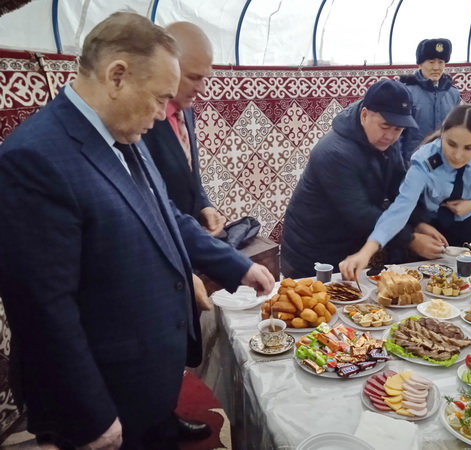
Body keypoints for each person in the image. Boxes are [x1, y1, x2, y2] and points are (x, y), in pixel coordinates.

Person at [0, 12, 274, 450]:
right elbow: (44, 310)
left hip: (147, 374)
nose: (165, 113)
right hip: (105, 388)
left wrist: (236, 265)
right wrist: (90, 415)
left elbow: (166, 214)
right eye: (159, 98)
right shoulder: (34, 159)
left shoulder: (126, 132)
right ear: (117, 76)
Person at [280, 79, 447, 279]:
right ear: (365, 115)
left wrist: (418, 221)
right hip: (313, 251)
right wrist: (410, 239)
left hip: (349, 242)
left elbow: (399, 187)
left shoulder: (383, 140)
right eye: (385, 126)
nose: (390, 136)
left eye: (398, 129)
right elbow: (360, 213)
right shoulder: (334, 153)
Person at [340, 105, 471, 279]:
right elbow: (401, 208)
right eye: (451, 144)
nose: (457, 155)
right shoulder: (425, 160)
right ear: (442, 134)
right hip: (432, 226)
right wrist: (366, 252)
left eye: (469, 148)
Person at [143, 21, 225, 238]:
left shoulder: (185, 108)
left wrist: (204, 205)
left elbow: (187, 172)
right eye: (194, 78)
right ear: (169, 68)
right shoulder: (143, 118)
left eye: (205, 78)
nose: (202, 89)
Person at [399, 38, 461, 165]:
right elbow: (398, 133)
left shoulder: (453, 93)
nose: (436, 68)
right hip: (414, 162)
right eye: (431, 62)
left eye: (441, 62)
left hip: (445, 162)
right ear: (420, 64)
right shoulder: (406, 92)